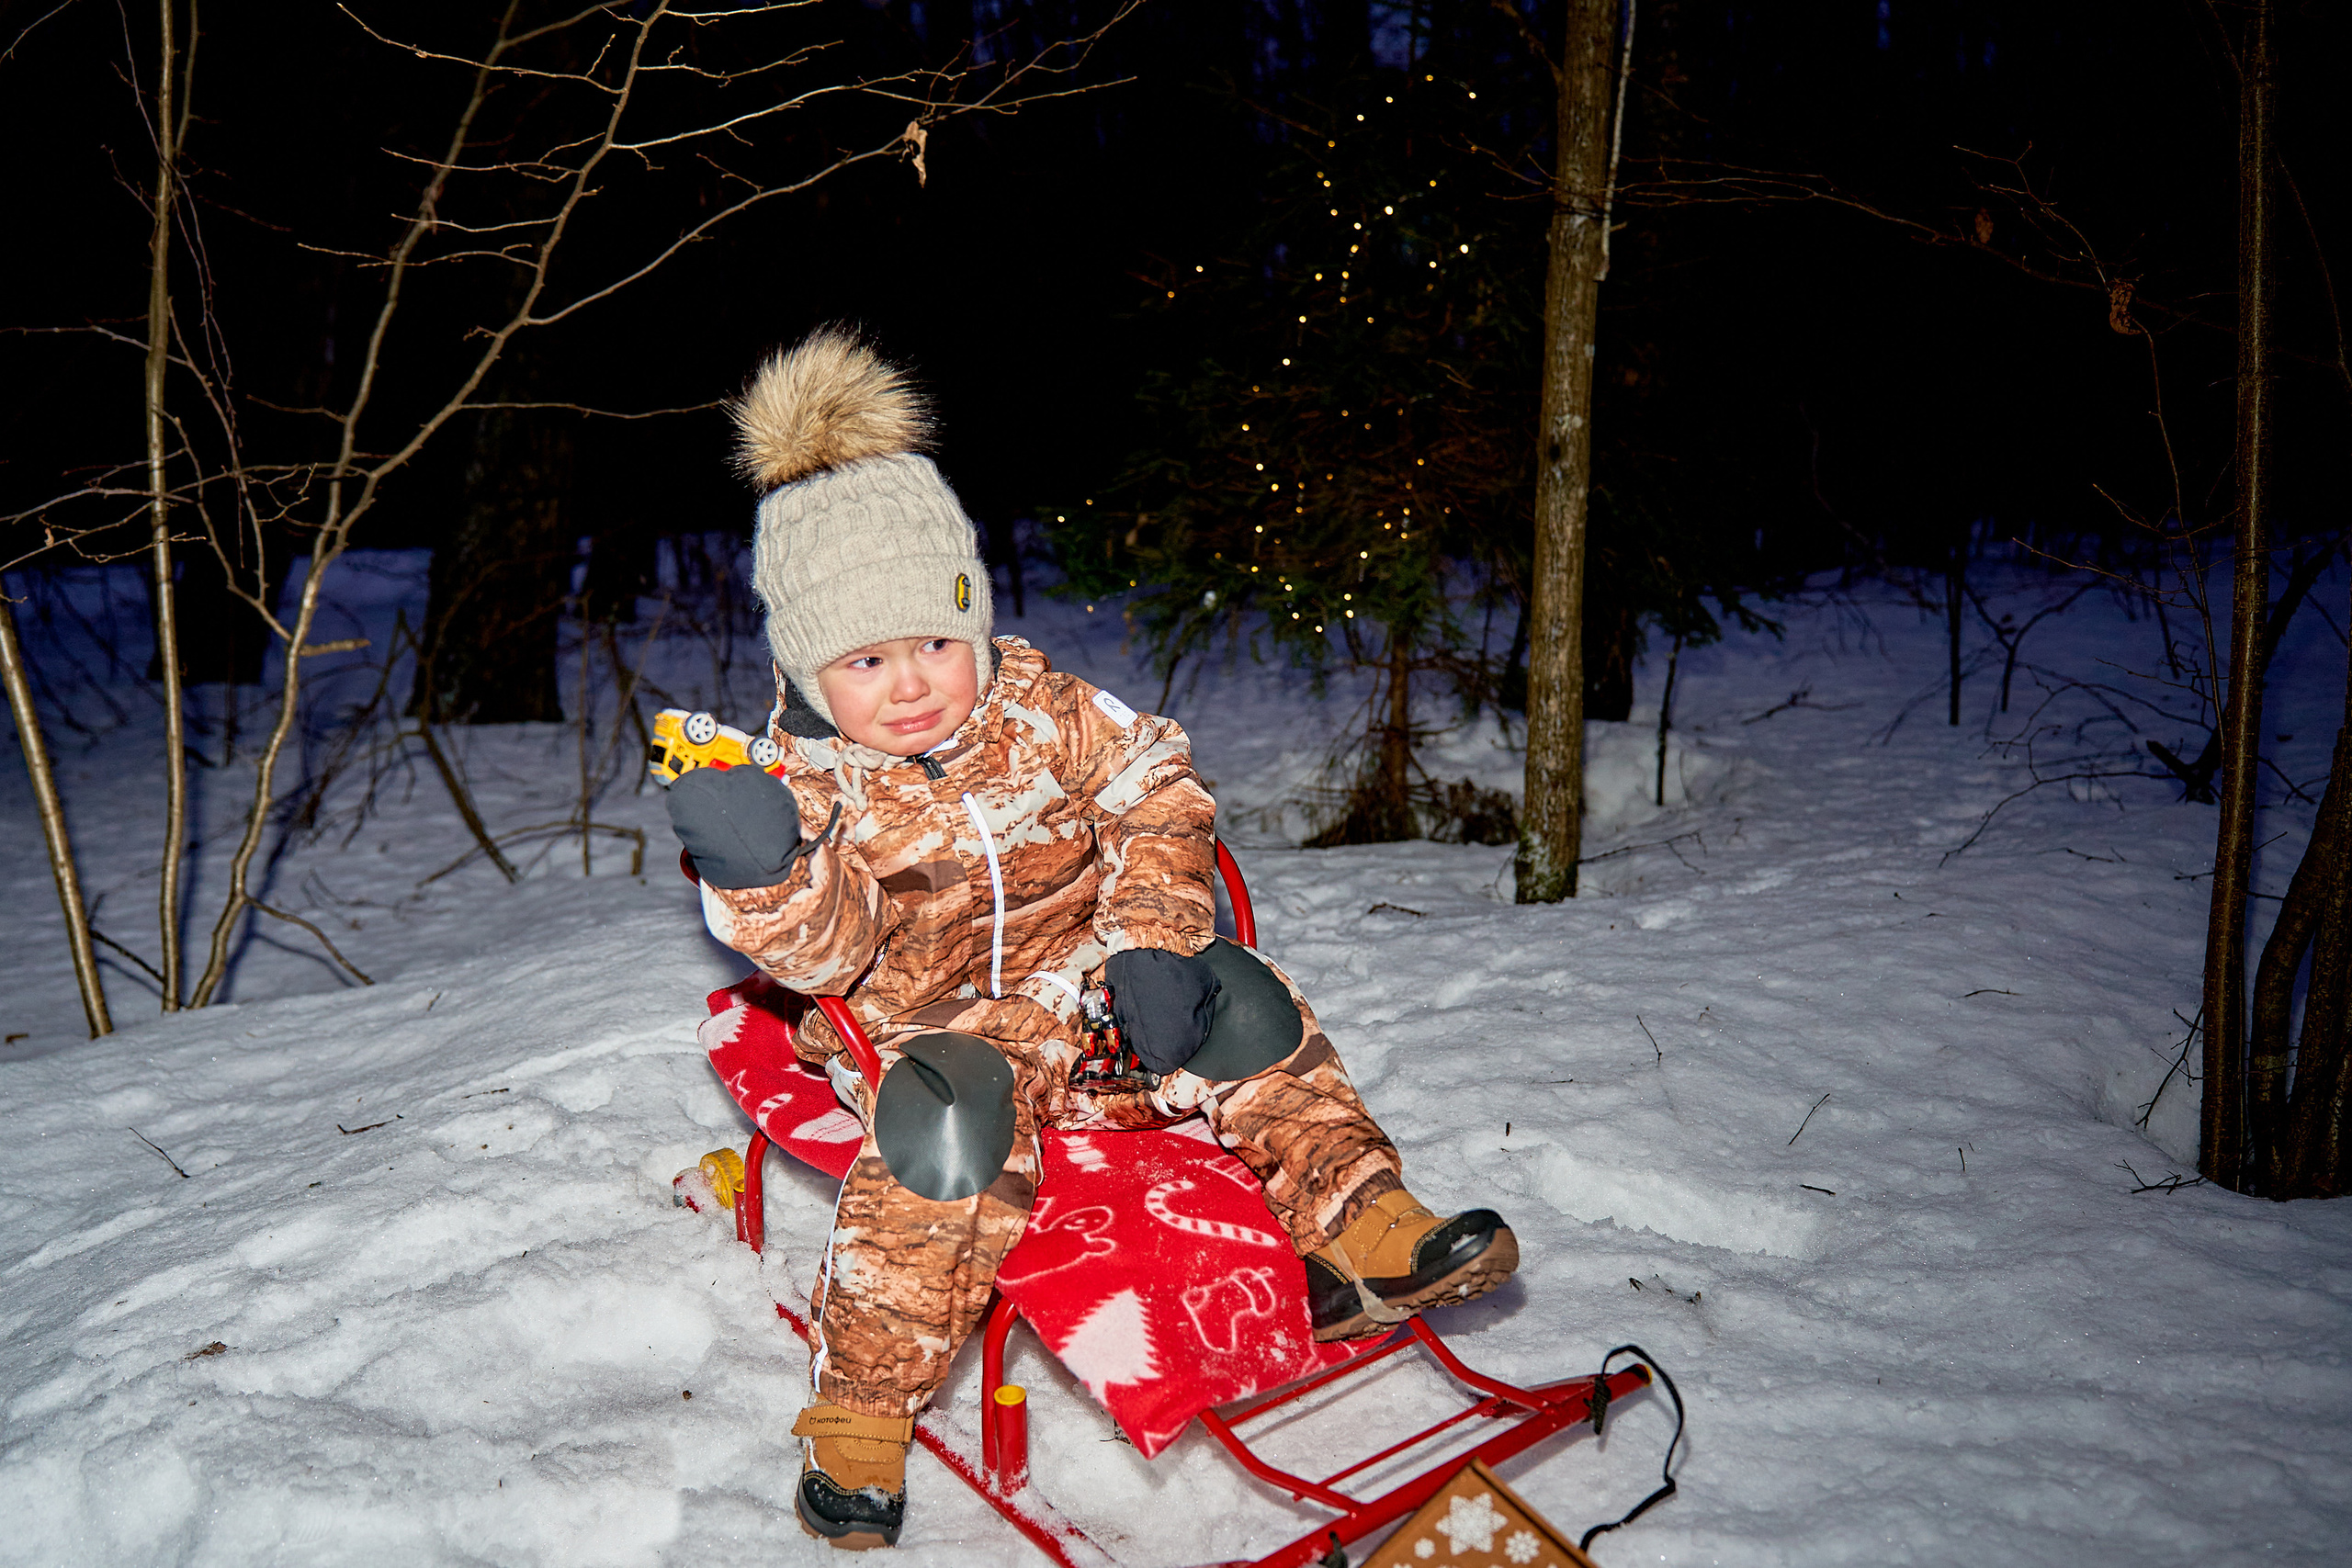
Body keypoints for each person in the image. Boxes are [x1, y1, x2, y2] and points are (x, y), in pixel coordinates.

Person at [664, 329, 1518, 1551]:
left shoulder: (1046, 711)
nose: (911, 683)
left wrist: (1154, 946)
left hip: (1107, 1003)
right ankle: (861, 1412)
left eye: (935, 642)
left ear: (977, 617)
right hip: (939, 1039)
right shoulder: (801, 777)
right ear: (807, 667)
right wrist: (767, 874)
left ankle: (1369, 1228)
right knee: (943, 1132)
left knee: (1250, 1004)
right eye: (866, 658)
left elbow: (1156, 786)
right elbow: (825, 958)